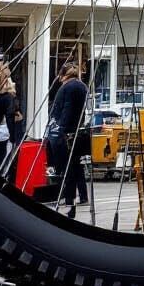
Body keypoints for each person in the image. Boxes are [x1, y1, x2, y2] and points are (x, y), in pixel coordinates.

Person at [46, 62, 89, 219]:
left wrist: (60, 129)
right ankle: (77, 198)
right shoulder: (82, 86)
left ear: (62, 75)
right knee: (76, 167)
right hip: (77, 132)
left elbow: (66, 110)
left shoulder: (67, 88)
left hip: (65, 134)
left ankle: (69, 200)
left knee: (66, 170)